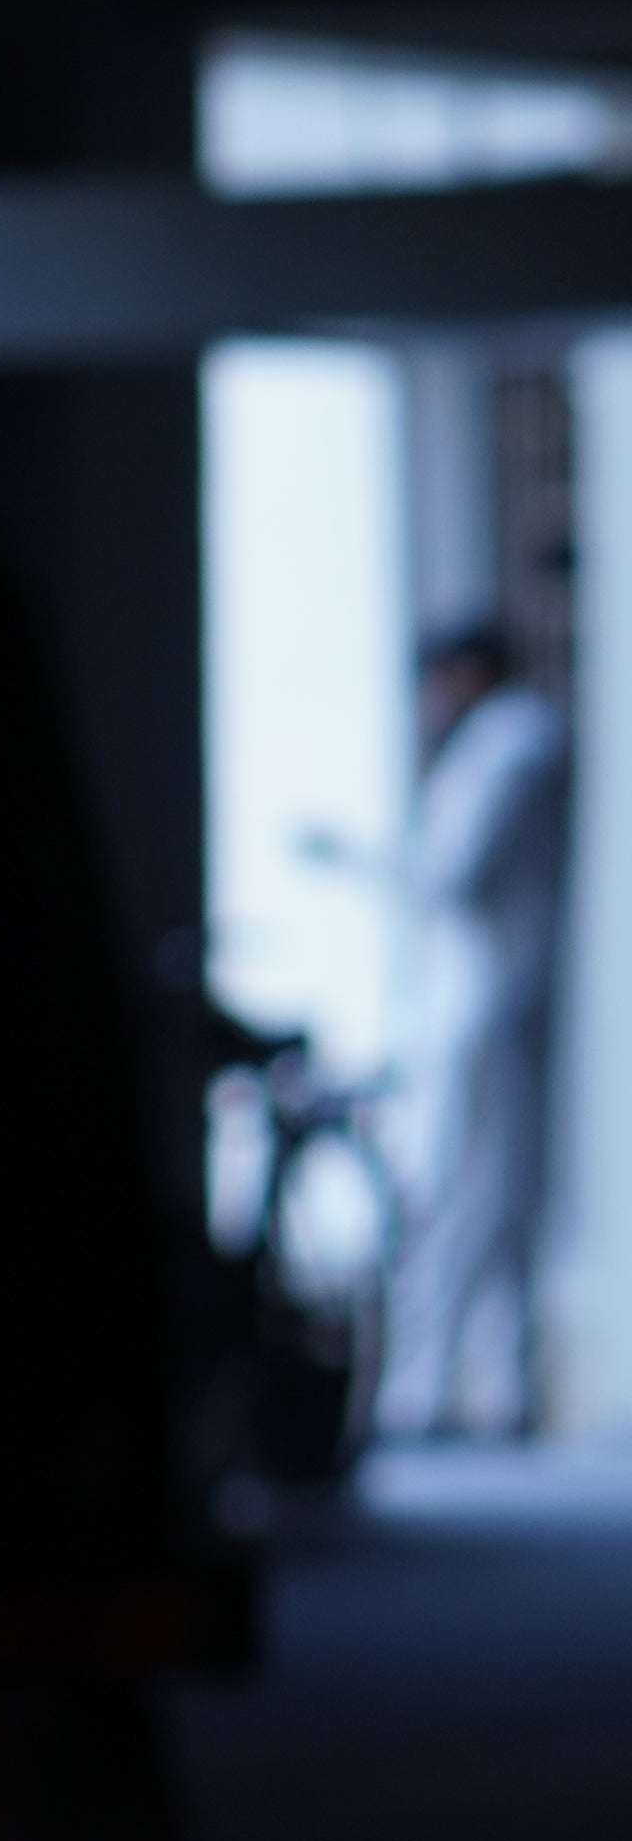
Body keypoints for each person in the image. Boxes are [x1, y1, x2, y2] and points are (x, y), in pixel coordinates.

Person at [374, 615, 572, 1441]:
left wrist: (360, 858)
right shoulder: (512, 745)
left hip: (485, 1003)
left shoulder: (511, 745)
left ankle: (436, 1390)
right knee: (489, 1195)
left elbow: (449, 872)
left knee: (469, 1195)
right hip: (489, 1000)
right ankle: (484, 1384)